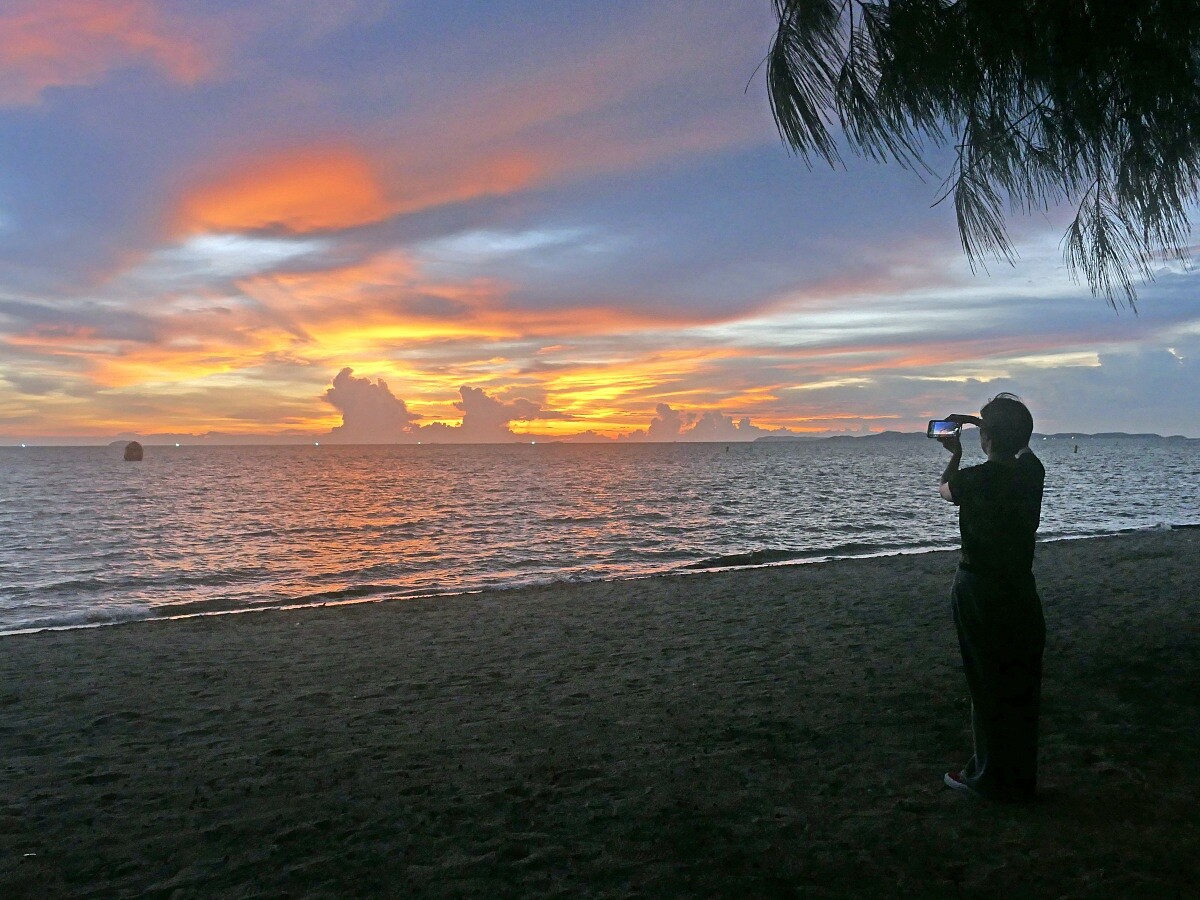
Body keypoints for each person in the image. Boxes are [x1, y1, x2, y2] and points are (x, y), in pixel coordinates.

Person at [936, 393, 1046, 800]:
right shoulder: (1032, 473)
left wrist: (955, 452)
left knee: (985, 683)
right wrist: (987, 423)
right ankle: (1017, 777)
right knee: (1019, 683)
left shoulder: (976, 480)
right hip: (1020, 588)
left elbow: (945, 490)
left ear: (986, 436)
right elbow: (1023, 443)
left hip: (980, 588)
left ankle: (986, 778)